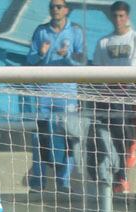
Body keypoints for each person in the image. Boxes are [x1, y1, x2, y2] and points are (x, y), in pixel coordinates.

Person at [26, 0, 85, 193]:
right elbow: (31, 60)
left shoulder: (75, 31)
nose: (55, 9)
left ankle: (64, 181)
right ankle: (39, 179)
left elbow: (81, 61)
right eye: (52, 6)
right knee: (40, 136)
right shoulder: (41, 31)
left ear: (66, 9)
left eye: (59, 6)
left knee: (69, 136)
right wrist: (41, 53)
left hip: (67, 95)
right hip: (44, 95)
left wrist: (67, 56)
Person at [92, 1, 136, 193]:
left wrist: (131, 85)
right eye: (115, 16)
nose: (118, 20)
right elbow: (97, 73)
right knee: (111, 134)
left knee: (125, 128)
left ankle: (130, 151)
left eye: (121, 16)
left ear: (128, 17)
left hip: (132, 94)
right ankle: (122, 174)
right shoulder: (103, 42)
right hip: (110, 95)